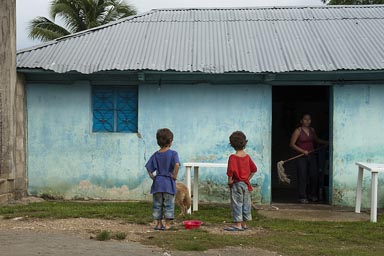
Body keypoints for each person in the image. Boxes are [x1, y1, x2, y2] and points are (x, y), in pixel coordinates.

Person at [145, 128, 180, 230]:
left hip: (158, 183)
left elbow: (148, 167)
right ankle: (168, 224)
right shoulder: (173, 153)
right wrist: (174, 176)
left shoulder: (156, 154)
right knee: (168, 204)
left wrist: (152, 177)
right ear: (170, 141)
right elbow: (177, 164)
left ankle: (159, 224)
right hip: (168, 183)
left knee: (157, 204)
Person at [289, 113, 328, 204]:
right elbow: (291, 144)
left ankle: (312, 195)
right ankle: (302, 197)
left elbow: (317, 140)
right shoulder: (298, 131)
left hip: (312, 156)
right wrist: (303, 151)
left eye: (309, 119)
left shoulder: (312, 130)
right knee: (303, 176)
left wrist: (327, 142)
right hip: (301, 157)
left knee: (314, 175)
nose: (307, 121)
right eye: (305, 119)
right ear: (301, 121)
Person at [224, 131, 257, 231]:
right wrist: (247, 179)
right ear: (244, 143)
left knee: (237, 203)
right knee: (245, 203)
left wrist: (230, 180)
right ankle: (244, 224)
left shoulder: (233, 157)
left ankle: (237, 224)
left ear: (232, 144)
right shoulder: (247, 157)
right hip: (246, 184)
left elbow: (231, 171)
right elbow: (254, 169)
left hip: (236, 184)